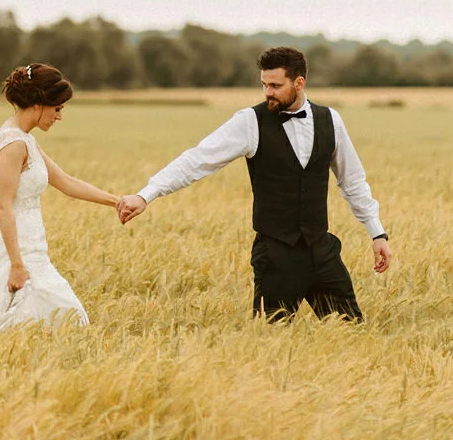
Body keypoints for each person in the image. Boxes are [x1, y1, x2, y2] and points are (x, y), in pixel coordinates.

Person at [117, 47, 393, 321]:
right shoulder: (250, 121)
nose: (268, 92)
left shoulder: (330, 120)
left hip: (321, 251)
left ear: (299, 83)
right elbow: (197, 160)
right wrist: (146, 195)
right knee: (269, 344)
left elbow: (352, 181)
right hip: (275, 255)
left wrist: (376, 233)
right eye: (264, 85)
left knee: (352, 331)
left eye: (275, 85)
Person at [0, 63, 121, 334]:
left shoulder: (25, 139)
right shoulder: (13, 144)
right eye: (58, 108)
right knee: (59, 315)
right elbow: (4, 204)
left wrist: (116, 202)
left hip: (32, 242)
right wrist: (17, 264)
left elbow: (65, 182)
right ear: (39, 103)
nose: (59, 116)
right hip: (16, 245)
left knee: (48, 319)